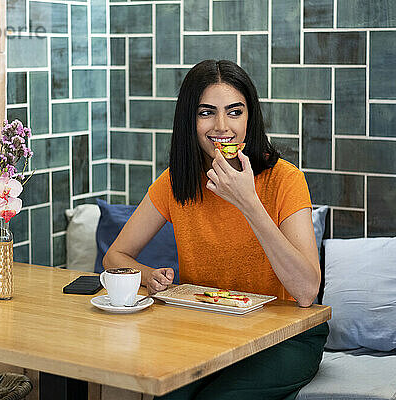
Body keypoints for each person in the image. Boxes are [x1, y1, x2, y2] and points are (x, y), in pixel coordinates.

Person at [103, 59, 328, 400]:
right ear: (189, 121)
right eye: (206, 112)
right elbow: (115, 256)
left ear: (249, 118)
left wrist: (249, 202)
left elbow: (307, 291)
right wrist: (150, 277)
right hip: (207, 331)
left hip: (285, 337)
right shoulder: (175, 182)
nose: (222, 126)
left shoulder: (285, 179)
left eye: (234, 112)